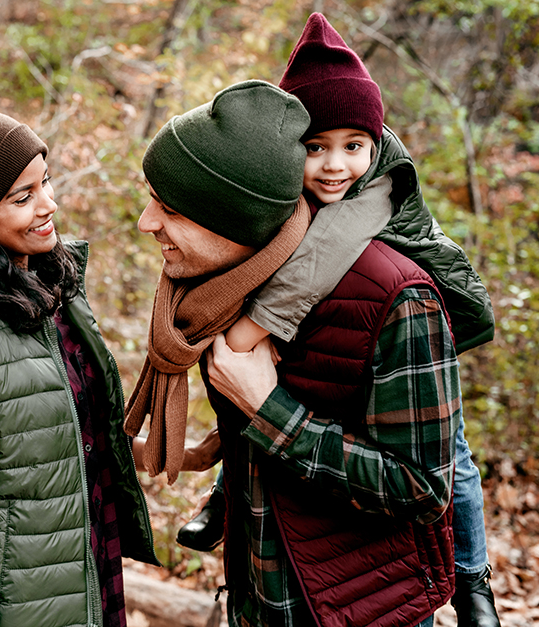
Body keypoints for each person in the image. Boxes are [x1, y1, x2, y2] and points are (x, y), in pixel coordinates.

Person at [174, 13, 501, 627]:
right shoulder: (281, 208)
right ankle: (225, 496)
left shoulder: (377, 199)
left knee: (452, 452)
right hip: (274, 573)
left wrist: (255, 340)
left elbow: (314, 266)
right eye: (315, 147)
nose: (334, 166)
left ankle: (474, 579)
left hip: (428, 345)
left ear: (375, 145)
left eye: (353, 146)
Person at [125, 77, 460, 626]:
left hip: (360, 612)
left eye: (172, 209)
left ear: (235, 218)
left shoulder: (397, 298)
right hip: (260, 601)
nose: (146, 223)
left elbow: (423, 490)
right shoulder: (224, 293)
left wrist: (269, 410)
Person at [0, 95, 161, 627]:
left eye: (46, 182)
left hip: (92, 587)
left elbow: (67, 445)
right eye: (23, 197)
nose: (49, 205)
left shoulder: (58, 295)